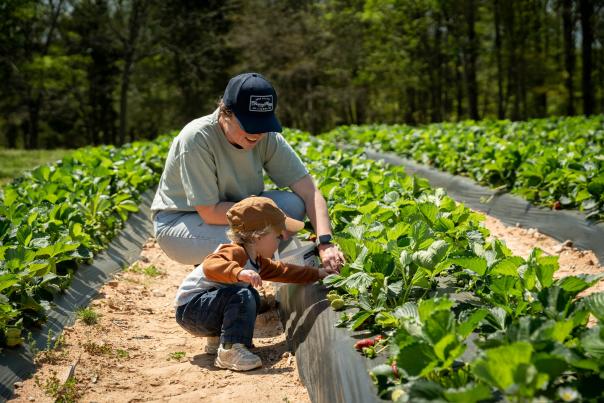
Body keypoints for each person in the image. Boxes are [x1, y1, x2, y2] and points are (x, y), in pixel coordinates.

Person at [151, 72, 344, 272]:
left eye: (263, 124)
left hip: (239, 216)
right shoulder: (197, 139)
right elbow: (209, 211)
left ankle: (235, 265)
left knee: (293, 205)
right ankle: (224, 279)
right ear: (226, 112)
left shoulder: (266, 138)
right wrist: (274, 220)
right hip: (183, 223)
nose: (258, 133)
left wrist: (325, 242)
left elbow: (309, 191)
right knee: (259, 238)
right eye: (250, 124)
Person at [174, 196, 332, 371]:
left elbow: (283, 271)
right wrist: (239, 272)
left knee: (252, 297)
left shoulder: (256, 260)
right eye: (278, 236)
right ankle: (230, 351)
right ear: (258, 236)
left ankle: (220, 340)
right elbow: (211, 265)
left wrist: (318, 273)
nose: (280, 241)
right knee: (243, 296)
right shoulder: (234, 251)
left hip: (203, 311)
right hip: (191, 310)